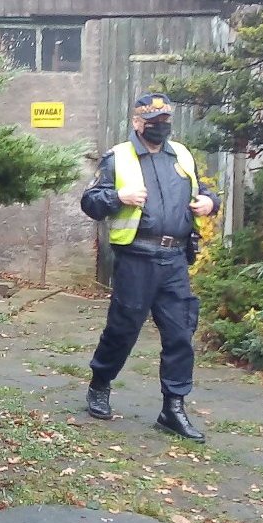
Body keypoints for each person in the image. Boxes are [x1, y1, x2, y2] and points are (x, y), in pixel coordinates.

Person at [79, 92, 219, 441]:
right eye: (154, 122)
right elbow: (90, 201)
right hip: (136, 259)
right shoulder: (119, 157)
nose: (161, 127)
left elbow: (202, 190)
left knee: (180, 334)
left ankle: (173, 408)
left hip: (174, 259)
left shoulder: (182, 155)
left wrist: (209, 202)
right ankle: (100, 383)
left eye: (166, 120)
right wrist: (118, 198)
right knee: (123, 329)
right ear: (138, 123)